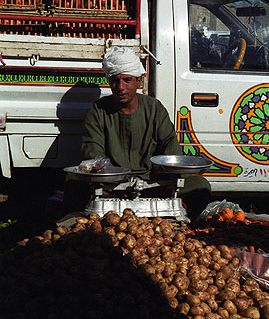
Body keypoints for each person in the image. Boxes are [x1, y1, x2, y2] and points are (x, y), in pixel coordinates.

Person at [76, 46, 211, 221]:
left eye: (127, 80)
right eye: (115, 81)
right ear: (109, 83)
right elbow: (93, 151)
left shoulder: (154, 109)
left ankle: (174, 217)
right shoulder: (98, 110)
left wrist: (168, 172)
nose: (121, 87)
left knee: (200, 186)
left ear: (138, 82)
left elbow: (170, 146)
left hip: (153, 183)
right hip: (111, 184)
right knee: (74, 187)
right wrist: (110, 177)